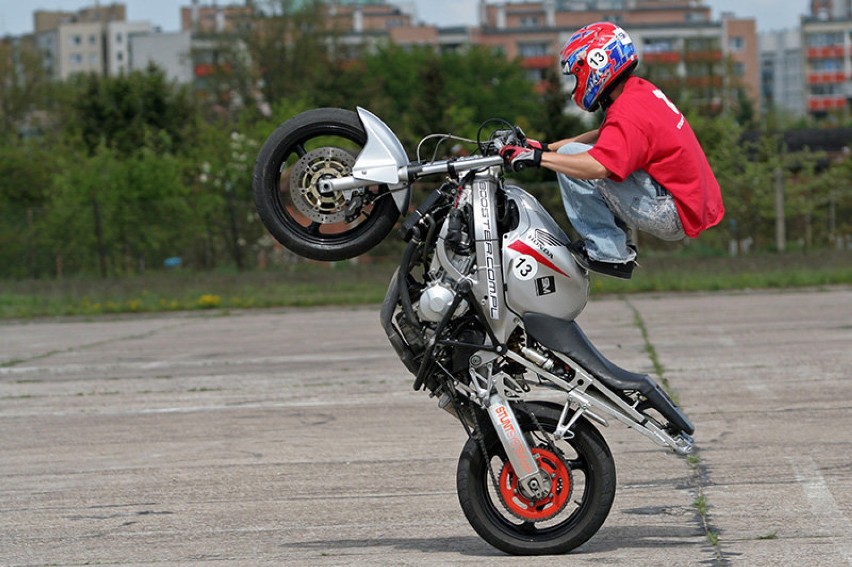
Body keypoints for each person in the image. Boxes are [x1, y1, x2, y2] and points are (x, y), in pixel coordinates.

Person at [499, 22, 724, 279]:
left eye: (576, 74)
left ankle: (608, 252)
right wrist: (547, 147)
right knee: (571, 153)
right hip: (685, 202)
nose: (576, 84)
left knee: (574, 159)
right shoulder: (638, 91)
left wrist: (540, 159)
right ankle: (615, 243)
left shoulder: (628, 112)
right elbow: (604, 136)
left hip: (673, 210)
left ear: (596, 65)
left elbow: (597, 166)